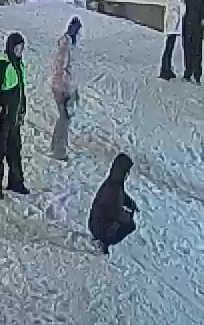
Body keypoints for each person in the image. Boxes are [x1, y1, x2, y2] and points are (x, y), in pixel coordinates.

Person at [0, 32, 29, 199]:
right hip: (1, 118)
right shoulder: (1, 66)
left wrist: (22, 111)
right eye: (17, 48)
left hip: (13, 118)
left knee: (15, 151)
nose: (19, 51)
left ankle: (16, 182)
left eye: (21, 48)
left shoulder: (18, 65)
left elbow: (20, 91)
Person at [87, 153, 138, 255]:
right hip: (100, 228)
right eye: (127, 172)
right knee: (130, 226)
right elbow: (116, 213)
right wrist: (129, 217)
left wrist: (130, 203)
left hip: (94, 224)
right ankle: (104, 242)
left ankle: (102, 237)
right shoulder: (115, 190)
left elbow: (121, 197)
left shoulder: (112, 182)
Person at [50, 17, 82, 161]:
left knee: (64, 119)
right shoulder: (66, 48)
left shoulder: (69, 46)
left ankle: (56, 146)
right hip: (62, 90)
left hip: (66, 88)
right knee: (64, 120)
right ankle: (59, 151)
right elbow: (62, 71)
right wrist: (68, 89)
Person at [159, 0, 185, 80]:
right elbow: (182, 10)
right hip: (173, 27)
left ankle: (166, 69)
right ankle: (165, 70)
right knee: (169, 49)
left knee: (168, 48)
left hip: (171, 26)